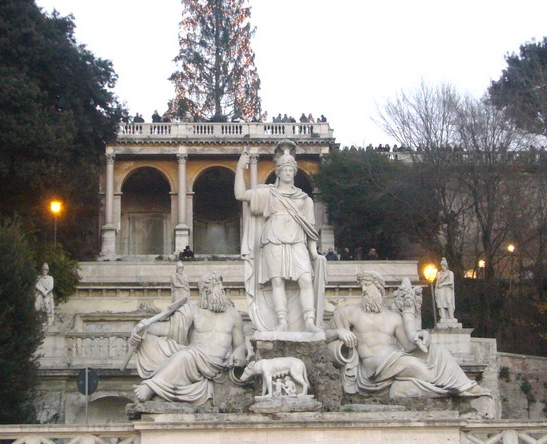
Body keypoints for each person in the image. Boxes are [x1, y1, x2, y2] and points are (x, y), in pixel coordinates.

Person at [325, 271, 486, 397]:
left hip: (395, 358)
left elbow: (409, 345)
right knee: (412, 364)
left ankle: (464, 386)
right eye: (362, 286)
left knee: (440, 352)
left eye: (368, 285)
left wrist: (423, 336)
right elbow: (323, 336)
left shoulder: (393, 317)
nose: (364, 290)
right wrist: (339, 332)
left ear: (380, 289)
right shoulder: (348, 312)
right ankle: (455, 387)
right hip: (373, 366)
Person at [236, 141, 325, 333]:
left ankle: (309, 321)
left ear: (294, 172)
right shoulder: (269, 193)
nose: (287, 172)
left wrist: (313, 252)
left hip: (297, 239)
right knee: (277, 281)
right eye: (284, 169)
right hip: (273, 238)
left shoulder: (305, 199)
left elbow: (310, 229)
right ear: (277, 172)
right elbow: (240, 194)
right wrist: (239, 167)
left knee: (305, 279)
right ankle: (281, 321)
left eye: (290, 169)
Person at [130, 271, 246, 405]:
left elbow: (240, 345)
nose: (212, 291)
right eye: (206, 288)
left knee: (185, 355)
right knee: (149, 341)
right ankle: (162, 387)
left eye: (216, 286)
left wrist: (240, 352)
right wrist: (142, 329)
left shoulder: (234, 315)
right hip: (193, 356)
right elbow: (168, 329)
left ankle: (151, 387)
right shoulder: (192, 310)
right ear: (201, 291)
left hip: (215, 363)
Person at [434, 257, 456, 324]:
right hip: (441, 290)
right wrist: (441, 278)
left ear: (446, 266)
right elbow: (438, 283)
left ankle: (451, 317)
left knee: (449, 302)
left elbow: (451, 282)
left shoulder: (450, 273)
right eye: (441, 266)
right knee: (441, 303)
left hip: (448, 289)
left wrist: (443, 283)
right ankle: (443, 317)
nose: (442, 267)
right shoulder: (439, 273)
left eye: (443, 265)